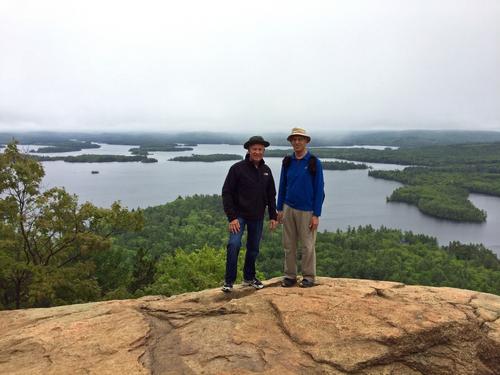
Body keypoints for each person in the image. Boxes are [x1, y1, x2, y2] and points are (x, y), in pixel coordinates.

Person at [221, 136, 278, 292]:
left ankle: (249, 278)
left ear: (263, 151)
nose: (257, 152)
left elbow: (271, 194)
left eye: (260, 149)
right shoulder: (237, 168)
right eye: (255, 149)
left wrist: (273, 216)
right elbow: (227, 193)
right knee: (234, 245)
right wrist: (232, 217)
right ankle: (229, 281)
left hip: (257, 215)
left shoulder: (266, 171)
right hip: (238, 216)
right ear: (248, 150)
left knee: (253, 248)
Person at [277, 127, 324, 288]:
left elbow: (319, 190)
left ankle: (309, 277)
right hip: (288, 207)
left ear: (306, 141)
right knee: (288, 244)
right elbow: (282, 185)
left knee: (307, 245)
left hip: (307, 210)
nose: (297, 142)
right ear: (291, 142)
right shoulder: (287, 162)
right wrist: (279, 208)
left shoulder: (313, 162)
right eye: (294, 139)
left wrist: (316, 214)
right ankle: (290, 276)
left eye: (300, 139)